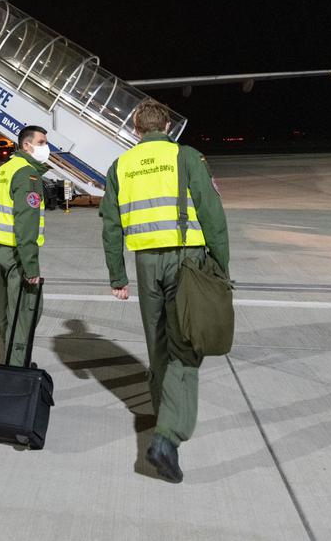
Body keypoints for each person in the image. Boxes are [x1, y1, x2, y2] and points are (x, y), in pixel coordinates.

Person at [99, 99, 230, 483]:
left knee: (158, 348)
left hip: (144, 263)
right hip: (186, 261)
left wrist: (116, 276)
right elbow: (212, 214)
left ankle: (162, 419)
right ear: (168, 126)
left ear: (136, 128)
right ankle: (167, 438)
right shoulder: (187, 157)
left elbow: (110, 226)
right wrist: (221, 267)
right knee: (187, 347)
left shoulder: (120, 165)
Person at [0, 124, 50, 367]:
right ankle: (17, 368)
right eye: (41, 142)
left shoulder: (3, 170)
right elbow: (26, 223)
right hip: (15, 252)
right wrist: (31, 267)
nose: (46, 147)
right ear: (26, 145)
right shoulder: (26, 174)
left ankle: (10, 358)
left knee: (7, 309)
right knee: (26, 311)